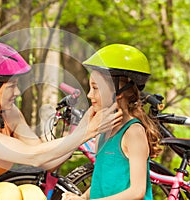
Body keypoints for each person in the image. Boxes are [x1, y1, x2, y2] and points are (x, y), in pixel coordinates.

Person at [0, 42, 123, 200]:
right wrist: (87, 131)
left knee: (32, 193)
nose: (16, 92)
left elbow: (47, 161)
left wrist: (84, 128)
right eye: (12, 86)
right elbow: (32, 155)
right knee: (7, 191)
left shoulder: (8, 113)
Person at [62, 44, 162, 200]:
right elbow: (100, 182)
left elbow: (137, 191)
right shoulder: (104, 131)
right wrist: (82, 198)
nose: (89, 95)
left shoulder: (133, 133)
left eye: (95, 88)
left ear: (119, 91)